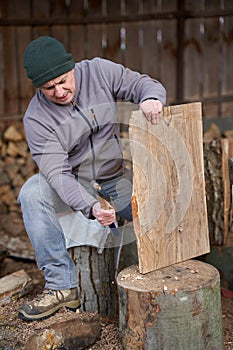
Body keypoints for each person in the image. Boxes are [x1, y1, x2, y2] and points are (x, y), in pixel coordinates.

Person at [17, 36, 166, 321]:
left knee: (158, 205)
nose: (59, 92)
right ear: (38, 87)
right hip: (75, 183)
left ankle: (166, 272)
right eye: (49, 88)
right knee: (31, 192)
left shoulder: (99, 71)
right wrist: (90, 206)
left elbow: (141, 84)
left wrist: (150, 98)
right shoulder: (36, 119)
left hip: (115, 176)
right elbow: (58, 174)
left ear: (71, 67)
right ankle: (61, 287)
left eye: (63, 81)